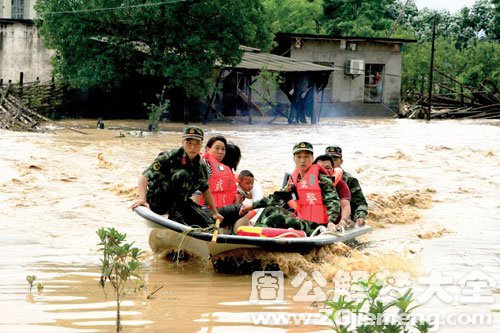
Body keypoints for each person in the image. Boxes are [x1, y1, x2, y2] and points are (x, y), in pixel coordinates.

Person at [240, 142, 341, 235]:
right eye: (299, 157)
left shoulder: (322, 179)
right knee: (269, 210)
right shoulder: (293, 179)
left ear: (312, 158)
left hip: (317, 226)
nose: (302, 160)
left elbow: (333, 202)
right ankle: (256, 232)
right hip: (302, 219)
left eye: (306, 157)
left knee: (277, 218)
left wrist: (331, 222)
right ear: (294, 159)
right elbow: (277, 197)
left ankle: (259, 235)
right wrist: (252, 205)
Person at [130, 126, 223, 227]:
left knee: (209, 224)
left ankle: (182, 214)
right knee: (183, 174)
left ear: (201, 145)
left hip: (181, 202)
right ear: (182, 143)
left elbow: (205, 189)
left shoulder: (200, 166)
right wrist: (142, 199)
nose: (193, 147)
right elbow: (144, 176)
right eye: (189, 143)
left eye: (196, 144)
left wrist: (214, 212)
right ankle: (175, 216)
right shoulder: (169, 156)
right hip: (159, 200)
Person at [326, 145, 368, 226]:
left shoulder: (350, 180)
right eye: (329, 159)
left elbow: (360, 202)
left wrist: (360, 217)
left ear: (341, 161)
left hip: (346, 218)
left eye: (335, 159)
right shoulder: (316, 178)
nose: (332, 162)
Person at [313, 154, 353, 228]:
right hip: (311, 219)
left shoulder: (340, 184)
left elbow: (345, 205)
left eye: (328, 168)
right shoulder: (306, 183)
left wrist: (343, 221)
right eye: (321, 168)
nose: (324, 170)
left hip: (334, 221)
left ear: (333, 169)